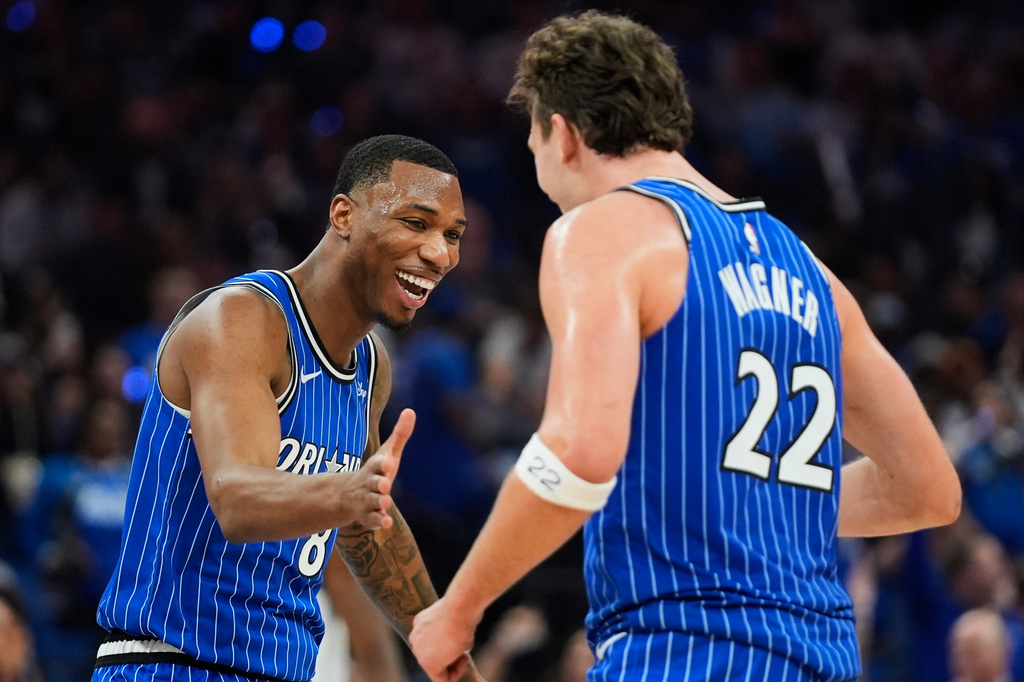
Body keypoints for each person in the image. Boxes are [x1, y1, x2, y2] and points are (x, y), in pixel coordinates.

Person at [409, 11, 961, 681]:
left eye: (534, 150)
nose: (543, 180)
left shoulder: (600, 232)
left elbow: (579, 452)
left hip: (685, 650)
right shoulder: (810, 271)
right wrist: (754, 506)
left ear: (563, 134)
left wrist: (460, 608)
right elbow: (926, 487)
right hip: (825, 659)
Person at [92, 134, 483, 682]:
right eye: (416, 223)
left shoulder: (371, 367)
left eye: (452, 235)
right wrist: (343, 491)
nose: (439, 253)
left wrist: (448, 656)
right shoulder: (242, 320)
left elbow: (369, 526)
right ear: (344, 215)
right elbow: (236, 499)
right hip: (172, 664)